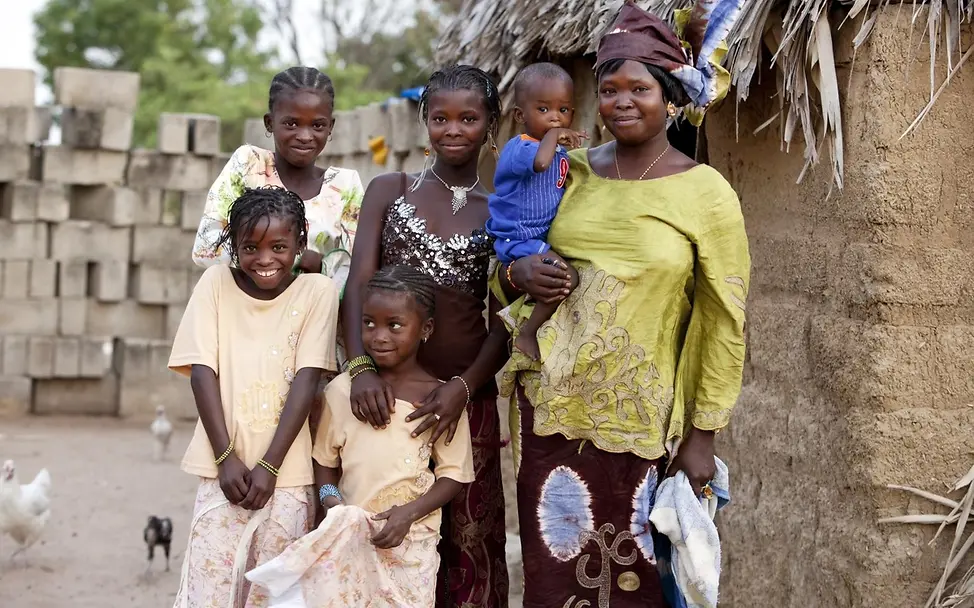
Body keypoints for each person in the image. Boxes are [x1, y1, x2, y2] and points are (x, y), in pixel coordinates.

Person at [492, 1, 749, 607]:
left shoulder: (704, 192)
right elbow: (509, 249)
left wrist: (703, 435)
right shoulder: (566, 171)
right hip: (551, 411)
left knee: (639, 581)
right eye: (609, 89)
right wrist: (516, 270)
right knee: (555, 577)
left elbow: (723, 319)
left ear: (670, 96)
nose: (622, 101)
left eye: (640, 88)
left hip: (645, 425)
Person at [342, 65, 510, 607]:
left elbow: (507, 316)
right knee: (382, 526)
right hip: (386, 397)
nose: (453, 129)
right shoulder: (390, 190)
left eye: (469, 117)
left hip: (467, 400)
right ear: (423, 121)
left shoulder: (503, 210)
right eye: (440, 118)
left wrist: (464, 387)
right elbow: (357, 286)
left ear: (492, 124)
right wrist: (361, 370)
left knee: (468, 537)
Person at [244, 265, 476, 607]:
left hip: (412, 543)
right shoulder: (342, 392)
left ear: (425, 329)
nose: (378, 336)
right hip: (350, 541)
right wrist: (330, 501)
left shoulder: (439, 400)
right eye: (369, 323)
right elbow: (325, 461)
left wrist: (409, 513)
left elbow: (454, 474)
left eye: (394, 325)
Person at [168, 186, 341, 607]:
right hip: (220, 471)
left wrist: (269, 466)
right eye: (250, 247)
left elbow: (308, 378)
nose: (265, 259)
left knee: (273, 594)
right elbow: (202, 371)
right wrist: (226, 458)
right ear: (234, 246)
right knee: (207, 589)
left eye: (279, 246)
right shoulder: (215, 283)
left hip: (288, 474)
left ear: (301, 243)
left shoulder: (317, 292)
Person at [191, 66, 363, 438]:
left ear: (330, 127)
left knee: (320, 455)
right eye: (291, 124)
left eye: (317, 125)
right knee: (252, 441)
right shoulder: (249, 166)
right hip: (250, 337)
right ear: (270, 122)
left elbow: (355, 275)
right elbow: (207, 251)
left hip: (319, 348)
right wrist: (299, 261)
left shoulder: (345, 187)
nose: (304, 135)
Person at [485, 63, 586, 360]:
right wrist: (555, 136)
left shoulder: (558, 152)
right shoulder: (520, 148)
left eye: (564, 110)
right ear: (520, 116)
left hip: (538, 238)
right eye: (543, 110)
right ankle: (528, 333)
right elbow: (540, 164)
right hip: (518, 239)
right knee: (569, 278)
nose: (556, 118)